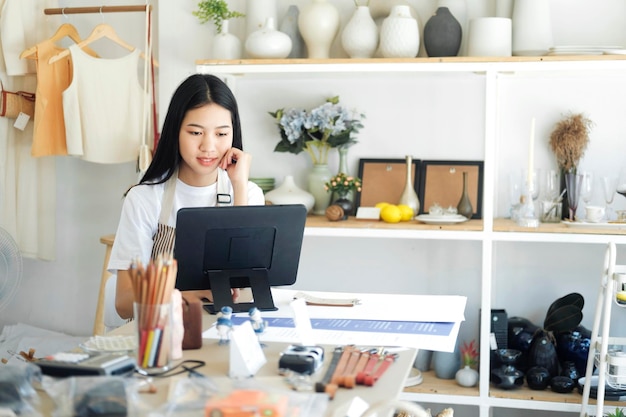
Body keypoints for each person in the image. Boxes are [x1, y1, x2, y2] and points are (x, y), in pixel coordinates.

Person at [108, 74, 265, 319]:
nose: (208, 146)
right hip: (160, 335)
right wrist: (183, 295)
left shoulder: (248, 193)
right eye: (195, 133)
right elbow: (124, 302)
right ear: (175, 132)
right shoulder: (144, 199)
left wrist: (239, 188)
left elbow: (245, 284)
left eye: (221, 134)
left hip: (227, 329)